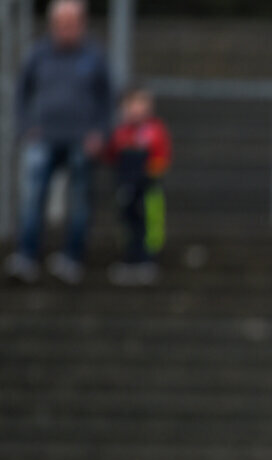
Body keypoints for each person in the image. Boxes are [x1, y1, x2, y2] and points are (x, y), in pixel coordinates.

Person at [4, 0, 112, 285]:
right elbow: (21, 93)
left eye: (72, 22)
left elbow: (107, 99)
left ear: (82, 23)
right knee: (32, 198)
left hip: (81, 140)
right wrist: (26, 126)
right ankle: (27, 255)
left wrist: (99, 132)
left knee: (79, 203)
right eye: (61, 23)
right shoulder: (38, 54)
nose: (66, 28)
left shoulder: (94, 55)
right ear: (53, 23)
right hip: (43, 138)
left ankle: (72, 257)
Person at [105, 86, 172, 287]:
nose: (137, 108)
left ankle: (147, 260)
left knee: (149, 224)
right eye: (132, 103)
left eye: (142, 103)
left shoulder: (155, 130)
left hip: (148, 187)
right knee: (127, 223)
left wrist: (148, 177)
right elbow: (112, 156)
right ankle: (130, 258)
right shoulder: (120, 133)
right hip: (126, 188)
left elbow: (162, 157)